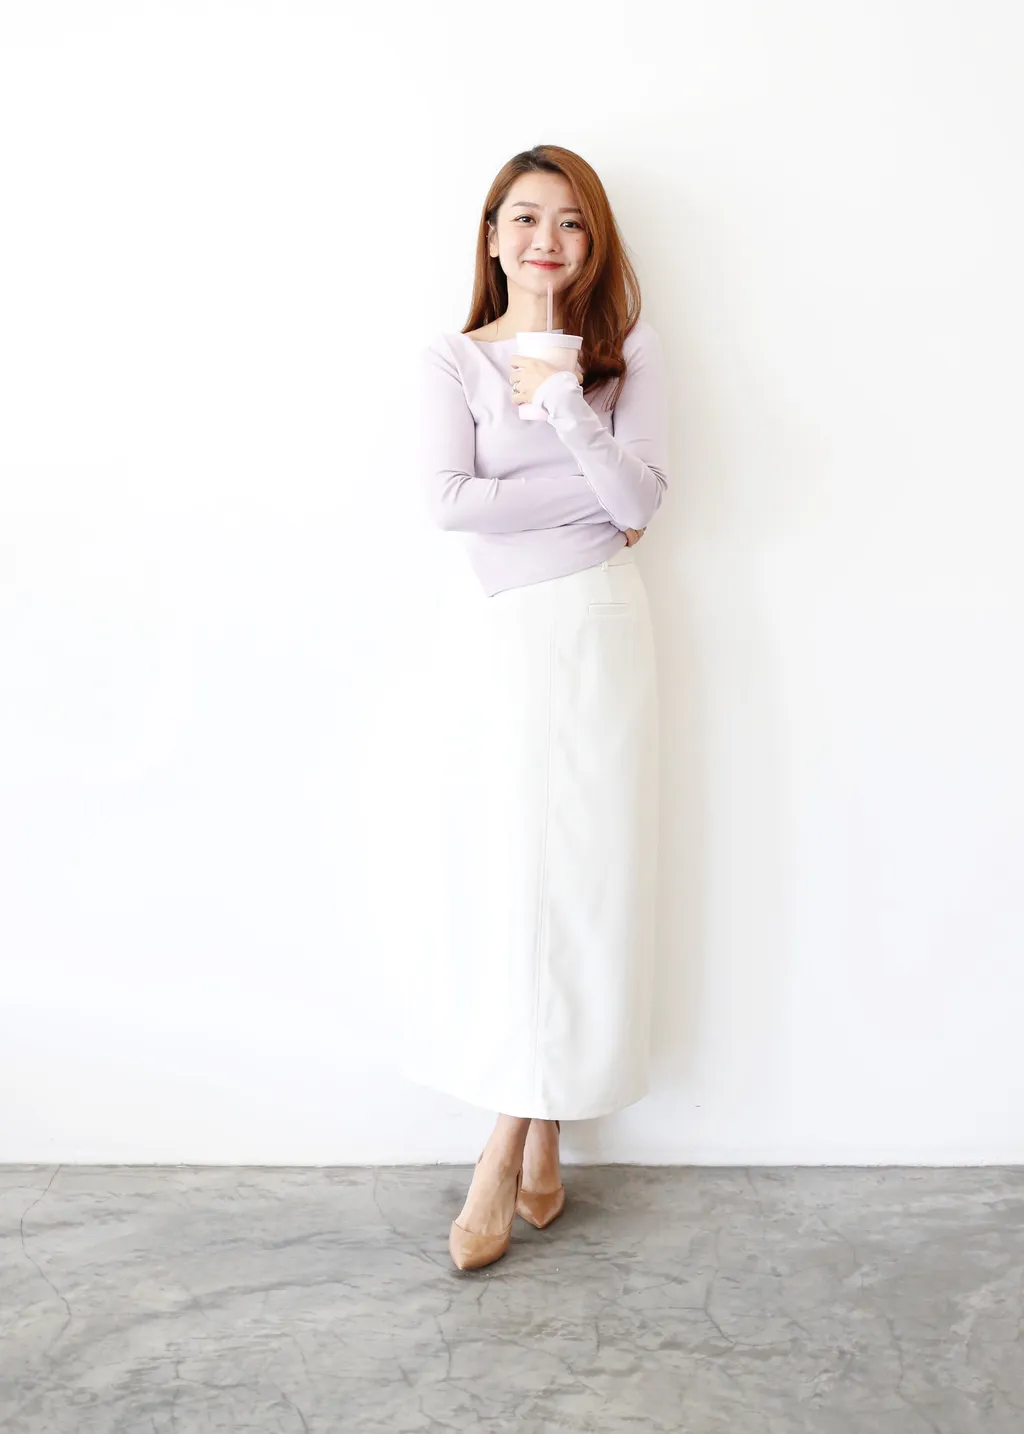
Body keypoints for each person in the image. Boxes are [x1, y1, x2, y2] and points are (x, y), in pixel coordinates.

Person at [403, 144, 670, 1271]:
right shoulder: (453, 357)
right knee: (513, 872)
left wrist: (564, 405)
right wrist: (590, 497)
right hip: (503, 637)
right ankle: (540, 1123)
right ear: (493, 235)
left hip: (599, 629)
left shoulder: (626, 355)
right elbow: (449, 503)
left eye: (568, 221)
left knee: (582, 873)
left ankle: (503, 1147)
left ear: (591, 239)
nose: (545, 240)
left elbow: (641, 502)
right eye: (523, 217)